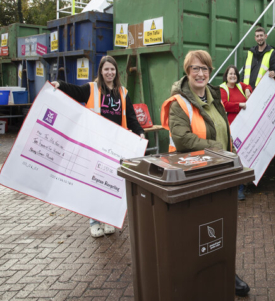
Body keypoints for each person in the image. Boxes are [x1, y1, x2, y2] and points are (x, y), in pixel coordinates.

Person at [159, 50, 250, 297]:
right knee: (197, 233)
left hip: (221, 173)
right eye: (195, 69)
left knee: (221, 228)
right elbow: (182, 138)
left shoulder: (214, 95)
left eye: (205, 69)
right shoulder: (179, 103)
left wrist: (229, 148)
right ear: (187, 72)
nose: (201, 73)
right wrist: (217, 148)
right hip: (194, 177)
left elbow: (221, 128)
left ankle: (225, 272)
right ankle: (195, 276)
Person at [51, 56, 145, 238]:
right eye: (106, 69)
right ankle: (94, 221)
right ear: (101, 72)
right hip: (95, 144)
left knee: (112, 183)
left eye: (112, 69)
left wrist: (139, 132)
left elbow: (131, 117)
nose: (109, 72)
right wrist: (60, 85)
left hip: (116, 146)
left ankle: (109, 219)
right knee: (95, 183)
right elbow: (75, 91)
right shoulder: (92, 89)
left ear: (116, 72)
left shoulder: (123, 92)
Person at [219, 65, 253, 200]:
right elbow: (224, 104)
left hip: (245, 125)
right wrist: (239, 104)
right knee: (235, 155)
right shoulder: (223, 88)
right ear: (226, 76)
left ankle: (244, 184)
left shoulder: (239, 86)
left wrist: (248, 90)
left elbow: (248, 86)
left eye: (234, 74)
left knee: (245, 154)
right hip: (232, 126)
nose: (232, 76)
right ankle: (237, 188)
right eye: (230, 74)